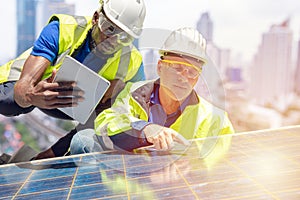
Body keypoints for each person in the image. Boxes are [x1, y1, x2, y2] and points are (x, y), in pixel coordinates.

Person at [0, 0, 147, 159]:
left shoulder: (133, 61)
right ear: (96, 18)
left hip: (72, 103)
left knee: (111, 111)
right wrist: (31, 96)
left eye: (124, 37)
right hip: (25, 89)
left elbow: (134, 113)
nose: (113, 40)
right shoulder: (62, 29)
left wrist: (119, 88)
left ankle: (52, 154)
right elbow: (23, 87)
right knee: (9, 103)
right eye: (109, 28)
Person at [69, 27, 235, 154]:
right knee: (83, 140)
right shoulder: (134, 93)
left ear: (198, 78)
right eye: (177, 68)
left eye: (192, 72)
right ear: (160, 67)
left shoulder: (215, 120)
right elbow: (106, 122)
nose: (184, 78)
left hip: (177, 189)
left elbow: (220, 166)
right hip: (130, 178)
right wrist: (144, 129)